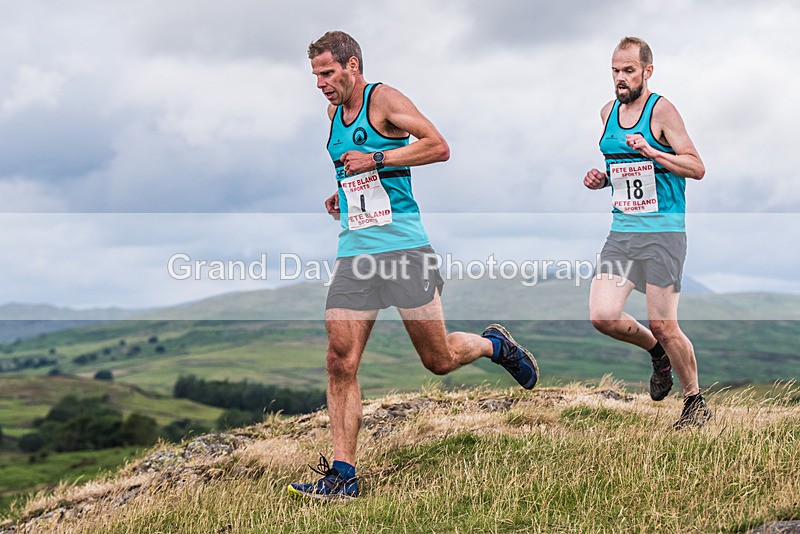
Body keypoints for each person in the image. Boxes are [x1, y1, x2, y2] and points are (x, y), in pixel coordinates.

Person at [287, 30, 539, 500]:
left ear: (352, 66)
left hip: (404, 249)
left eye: (326, 73)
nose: (319, 83)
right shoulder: (331, 114)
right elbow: (357, 170)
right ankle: (344, 476)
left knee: (438, 359)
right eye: (315, 75)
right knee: (339, 358)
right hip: (356, 249)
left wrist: (377, 157)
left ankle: (493, 346)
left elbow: (438, 146)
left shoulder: (383, 99)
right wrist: (343, 195)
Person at [583, 37, 710, 430]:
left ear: (647, 71)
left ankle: (695, 402)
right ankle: (657, 355)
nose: (620, 80)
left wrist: (654, 153)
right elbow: (624, 172)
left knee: (665, 325)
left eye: (628, 71)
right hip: (623, 230)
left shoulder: (662, 111)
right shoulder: (607, 112)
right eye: (615, 72)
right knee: (603, 316)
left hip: (663, 233)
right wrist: (603, 179)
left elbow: (696, 166)